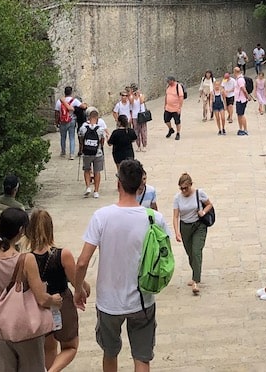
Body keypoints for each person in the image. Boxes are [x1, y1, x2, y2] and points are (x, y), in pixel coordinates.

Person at [73, 159, 169, 372]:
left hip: (109, 302)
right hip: (142, 300)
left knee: (110, 352)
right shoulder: (155, 219)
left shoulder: (102, 217)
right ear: (140, 186)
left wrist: (78, 289)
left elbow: (81, 262)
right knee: (142, 358)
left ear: (118, 184)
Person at [0, 206, 61, 372]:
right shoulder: (26, 260)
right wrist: (54, 300)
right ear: (21, 230)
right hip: (24, 327)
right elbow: (41, 298)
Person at [26, 210, 83, 372]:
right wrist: (84, 288)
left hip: (40, 305)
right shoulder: (62, 254)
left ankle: (49, 368)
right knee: (70, 346)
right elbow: (75, 281)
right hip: (62, 303)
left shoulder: (27, 259)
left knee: (49, 347)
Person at [171, 173, 213, 296]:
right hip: (185, 227)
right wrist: (177, 232)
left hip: (199, 226)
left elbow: (210, 204)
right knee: (190, 253)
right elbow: (175, 216)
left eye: (186, 188)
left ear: (191, 185)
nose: (184, 190)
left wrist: (203, 211)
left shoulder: (199, 193)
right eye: (181, 188)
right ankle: (195, 272)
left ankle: (195, 280)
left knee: (196, 251)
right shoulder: (177, 198)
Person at [78, 109, 107, 198]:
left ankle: (88, 187)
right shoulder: (100, 129)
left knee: (87, 170)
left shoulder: (83, 128)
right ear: (97, 118)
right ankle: (96, 191)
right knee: (97, 172)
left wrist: (82, 147)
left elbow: (80, 138)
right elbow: (102, 141)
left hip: (86, 152)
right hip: (97, 153)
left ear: (89, 118)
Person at [56, 86, 82, 159]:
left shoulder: (59, 101)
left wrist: (56, 121)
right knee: (72, 137)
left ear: (64, 92)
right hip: (72, 120)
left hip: (62, 121)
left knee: (63, 137)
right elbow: (82, 106)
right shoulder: (74, 101)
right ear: (71, 92)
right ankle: (72, 154)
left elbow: (57, 112)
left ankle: (63, 152)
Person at [162, 75, 185, 141]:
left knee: (177, 122)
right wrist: (165, 104)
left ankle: (178, 133)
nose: (167, 82)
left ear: (172, 80)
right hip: (168, 108)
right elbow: (166, 96)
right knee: (166, 120)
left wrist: (179, 108)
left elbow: (181, 97)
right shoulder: (168, 86)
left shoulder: (178, 86)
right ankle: (171, 129)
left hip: (175, 108)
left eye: (168, 81)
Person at [129, 85, 149, 152]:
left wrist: (139, 95)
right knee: (136, 131)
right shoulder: (131, 97)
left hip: (142, 115)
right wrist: (132, 95)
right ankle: (138, 146)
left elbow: (141, 101)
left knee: (143, 131)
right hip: (135, 116)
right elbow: (131, 102)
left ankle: (144, 145)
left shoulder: (141, 95)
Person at [233, 66, 249, 136]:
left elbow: (243, 89)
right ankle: (240, 128)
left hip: (241, 99)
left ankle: (245, 129)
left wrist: (247, 97)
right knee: (239, 114)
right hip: (238, 99)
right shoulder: (238, 79)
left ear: (236, 72)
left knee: (241, 114)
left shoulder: (240, 80)